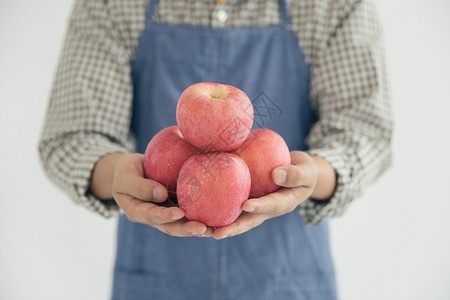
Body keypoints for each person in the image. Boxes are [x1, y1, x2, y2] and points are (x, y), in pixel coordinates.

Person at [39, 0, 393, 299]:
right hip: (157, 277)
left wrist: (312, 175)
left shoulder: (332, 5)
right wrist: (117, 173)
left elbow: (365, 131)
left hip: (287, 278)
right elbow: (73, 137)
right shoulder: (113, 5)